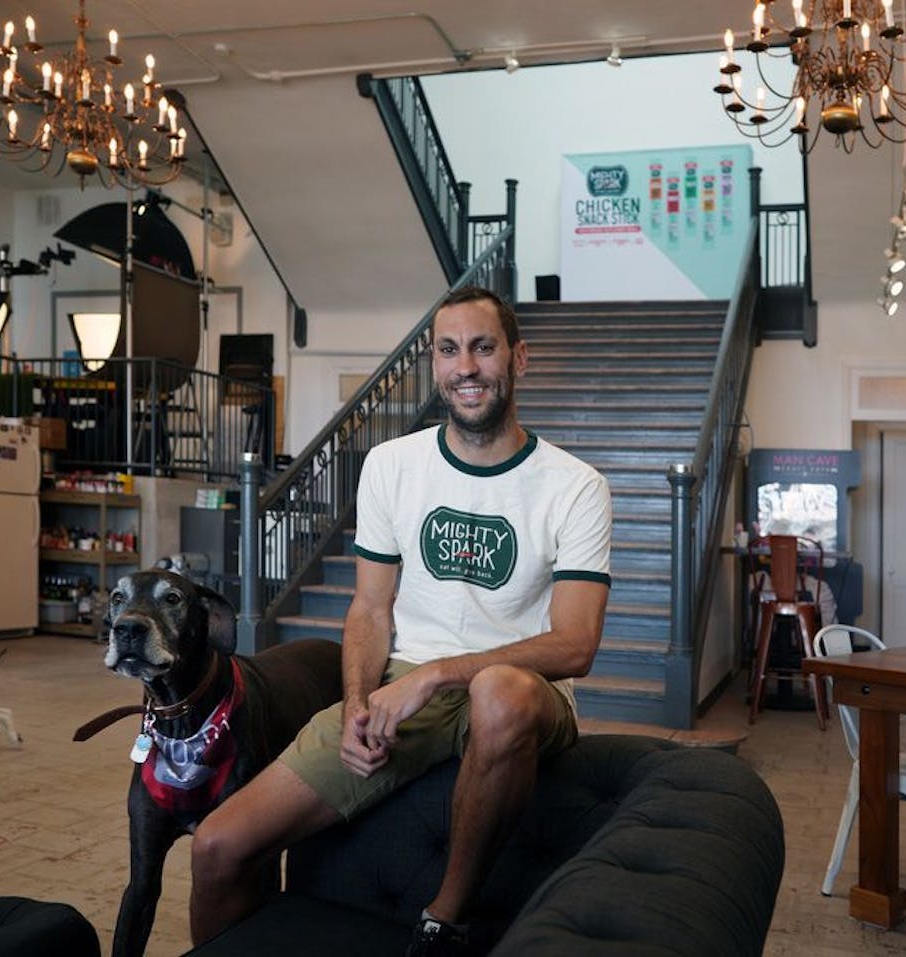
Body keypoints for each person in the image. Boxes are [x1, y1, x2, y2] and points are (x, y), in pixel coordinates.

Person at [188, 285, 613, 956]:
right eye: (449, 350)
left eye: (483, 347)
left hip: (521, 691)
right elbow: (370, 607)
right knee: (216, 846)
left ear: (518, 358)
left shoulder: (575, 486)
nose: (465, 366)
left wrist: (436, 675)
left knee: (498, 692)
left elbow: (575, 642)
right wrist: (359, 700)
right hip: (404, 683)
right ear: (436, 363)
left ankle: (444, 917)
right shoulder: (392, 465)